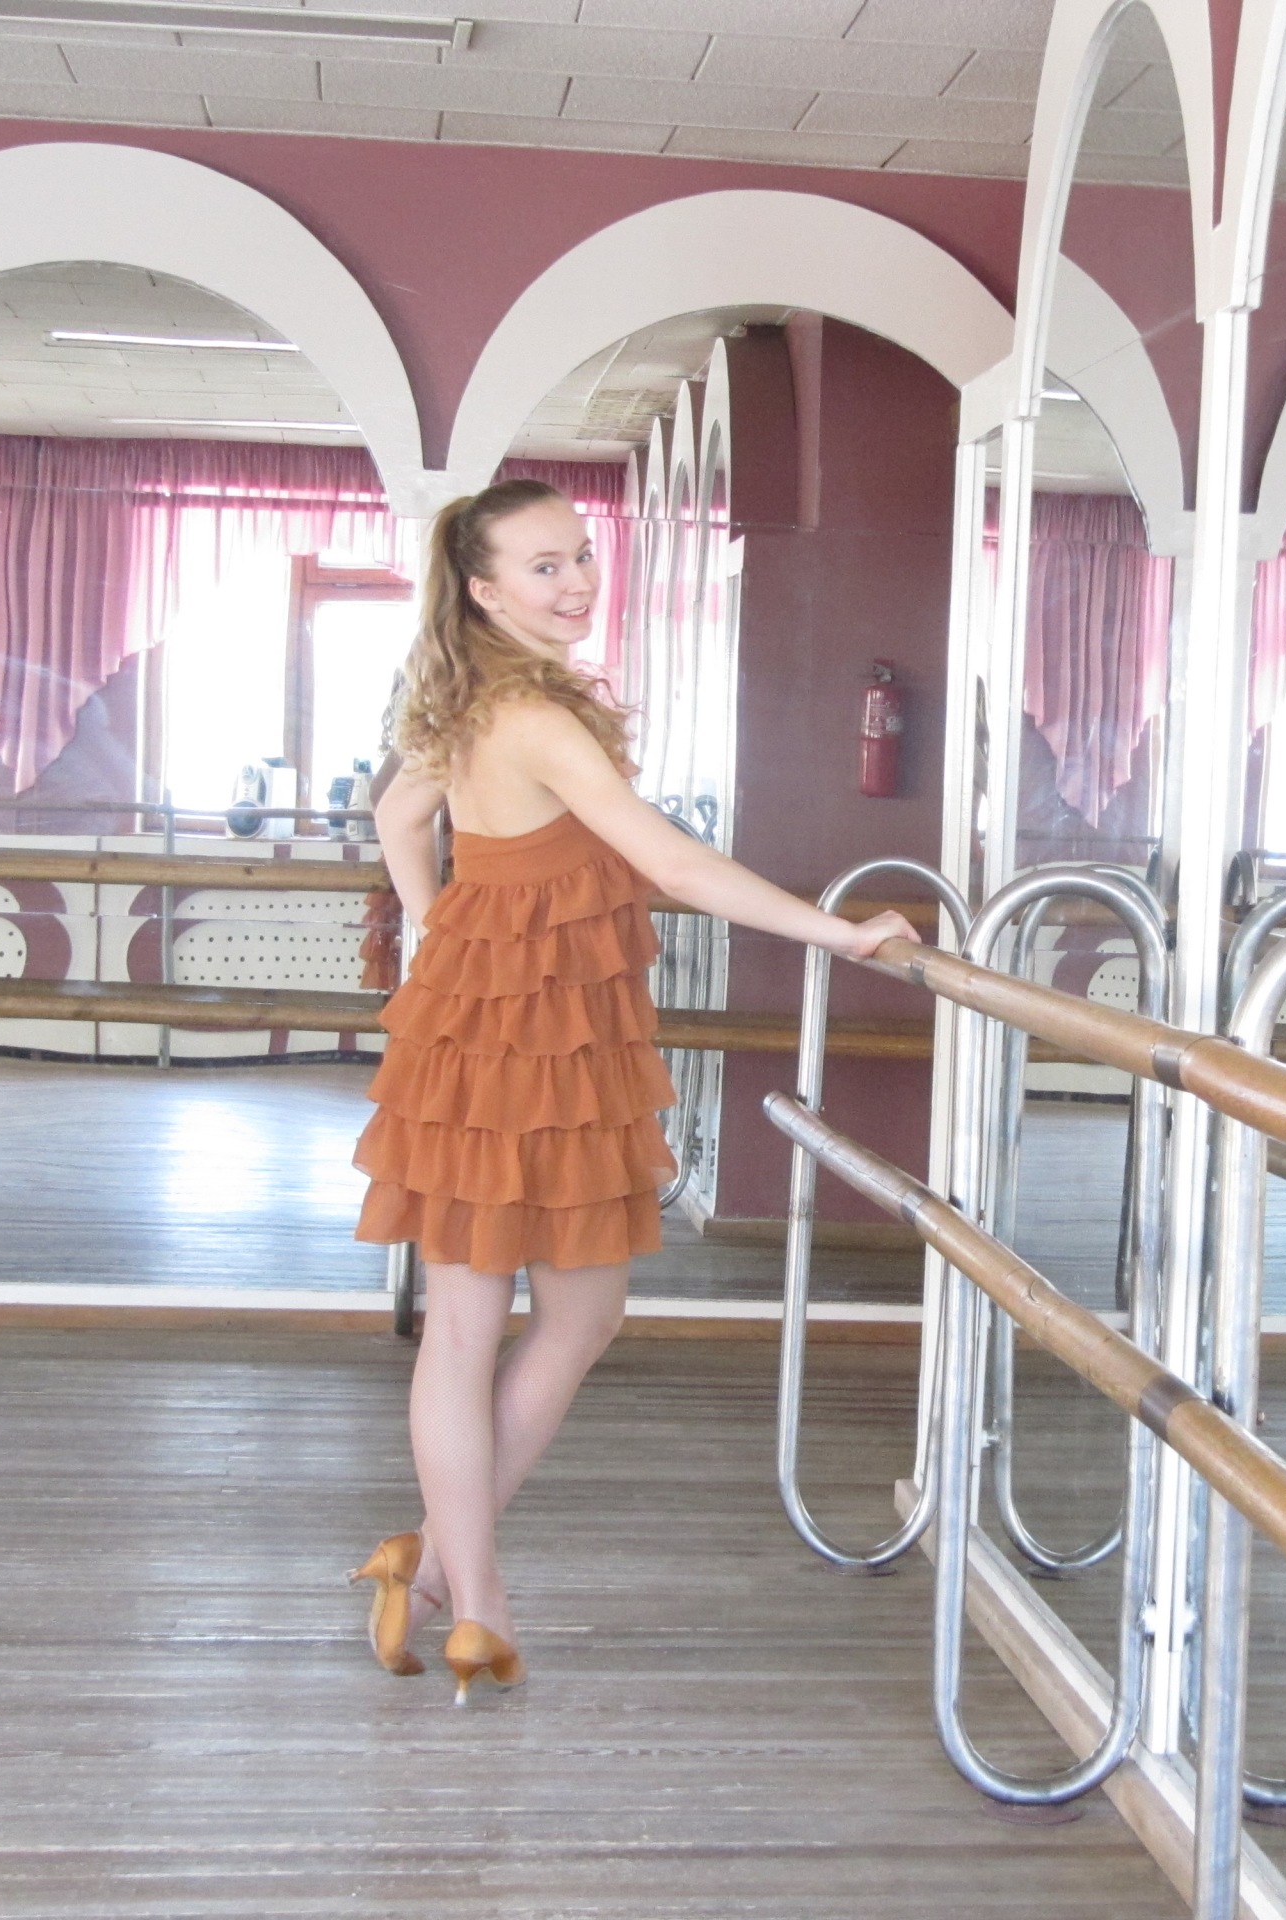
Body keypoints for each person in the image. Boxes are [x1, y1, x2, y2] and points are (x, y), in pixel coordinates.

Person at [345, 478, 915, 1705]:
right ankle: (475, 1602)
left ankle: (437, 1570)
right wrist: (835, 933)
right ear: (486, 591)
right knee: (484, 1324)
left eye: (581, 556)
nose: (576, 583)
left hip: (524, 1029)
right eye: (543, 567)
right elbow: (670, 863)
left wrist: (442, 928)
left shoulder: (471, 700)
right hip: (528, 1035)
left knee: (560, 1315)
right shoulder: (533, 715)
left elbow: (397, 812)